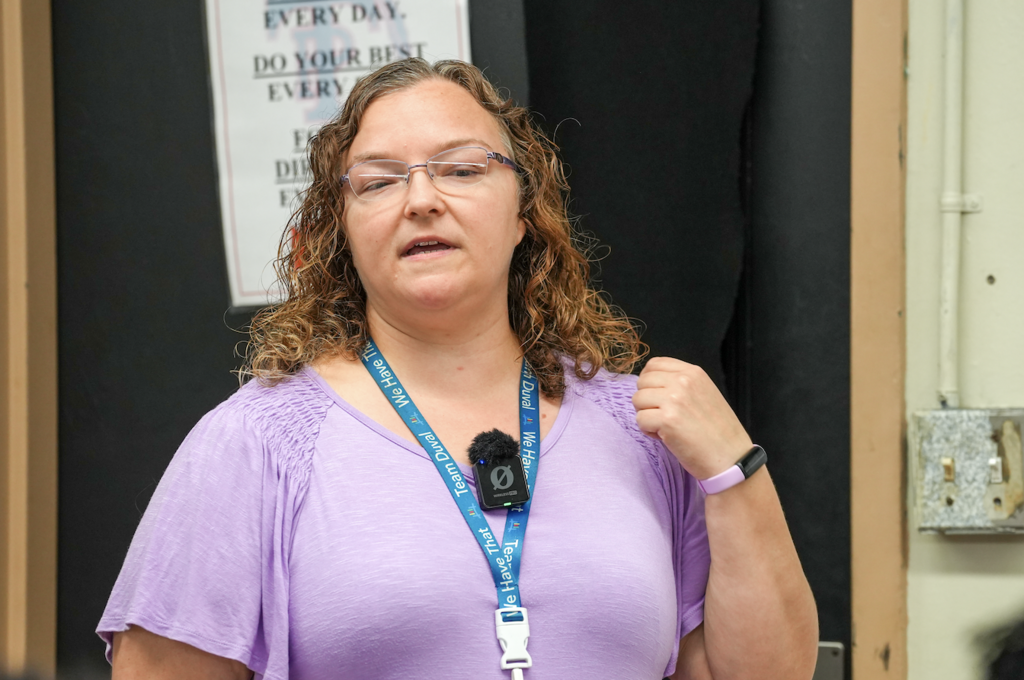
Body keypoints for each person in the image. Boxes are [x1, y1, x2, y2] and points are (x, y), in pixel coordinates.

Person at [98, 58, 818, 679]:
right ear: (342, 230)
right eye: (378, 182)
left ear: (525, 212)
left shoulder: (646, 433)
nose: (421, 200)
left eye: (463, 169)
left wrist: (734, 472)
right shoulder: (256, 444)